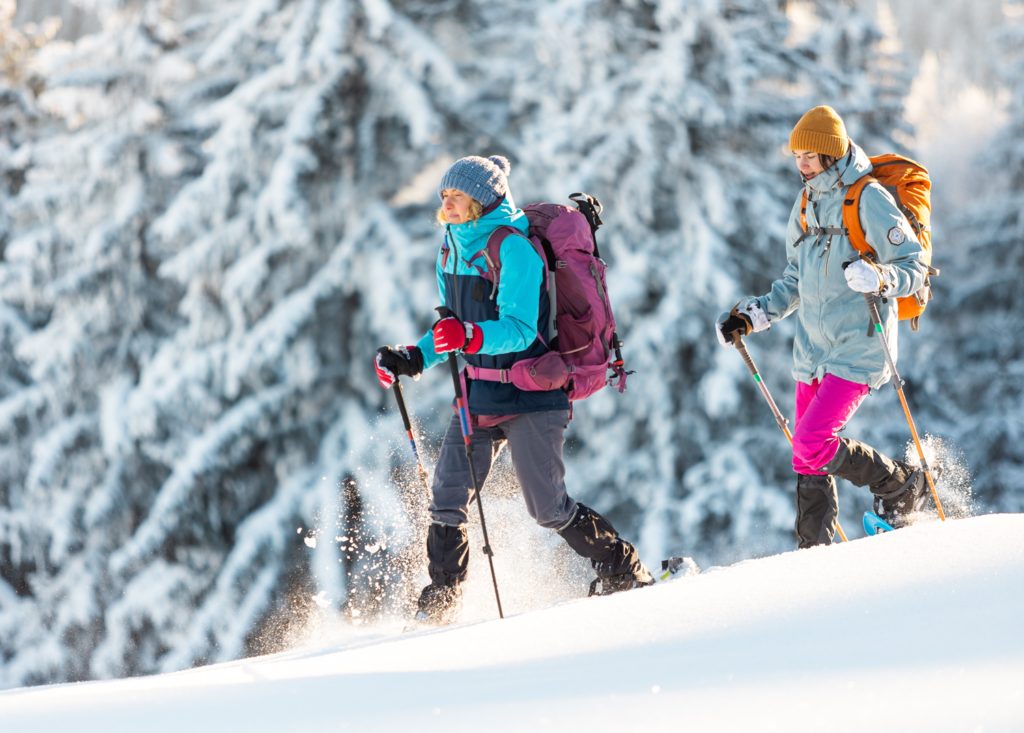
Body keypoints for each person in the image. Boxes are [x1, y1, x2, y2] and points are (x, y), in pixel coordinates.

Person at [375, 155, 651, 622]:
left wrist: (469, 337)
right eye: (444, 196)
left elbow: (521, 329)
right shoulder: (451, 247)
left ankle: (623, 568)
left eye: (456, 196)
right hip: (478, 392)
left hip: (532, 394)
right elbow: (452, 328)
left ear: (482, 200)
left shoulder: (514, 249)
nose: (447, 204)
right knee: (446, 498)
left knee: (547, 506)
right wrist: (415, 356)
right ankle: (442, 601)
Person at [715, 106, 930, 548]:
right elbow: (795, 279)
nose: (801, 164)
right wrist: (756, 314)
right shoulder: (806, 202)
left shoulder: (867, 197)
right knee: (806, 458)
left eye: (810, 156)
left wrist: (882, 277)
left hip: (859, 345)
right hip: (811, 350)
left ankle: (899, 484)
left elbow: (914, 265)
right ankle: (815, 547)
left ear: (832, 155)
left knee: (810, 443)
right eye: (797, 156)